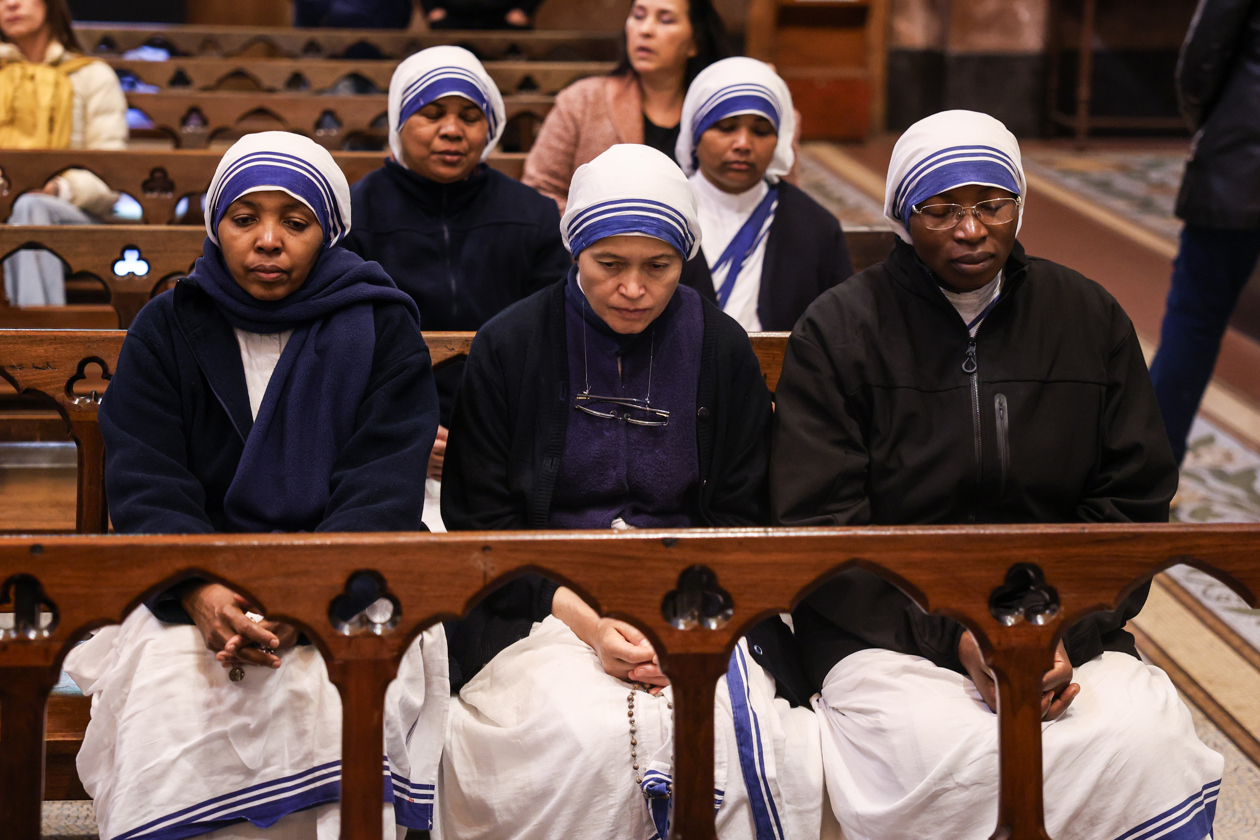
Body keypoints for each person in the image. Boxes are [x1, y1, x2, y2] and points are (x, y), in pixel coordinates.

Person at [770, 110, 1224, 840]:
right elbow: (820, 531)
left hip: (1067, 626)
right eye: (940, 210)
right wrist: (959, 636)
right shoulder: (841, 330)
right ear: (900, 215)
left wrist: (1054, 627)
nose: (971, 230)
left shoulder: (1086, 318)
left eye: (991, 205)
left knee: (1144, 738)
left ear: (1021, 203)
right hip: (886, 634)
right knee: (948, 752)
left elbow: (1133, 504)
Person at [437, 144, 828, 840]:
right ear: (574, 251)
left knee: (749, 743)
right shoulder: (510, 345)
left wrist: (674, 605)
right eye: (608, 265)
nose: (634, 290)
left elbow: (741, 512)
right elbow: (481, 524)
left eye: (659, 267)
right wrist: (589, 623)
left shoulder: (720, 347)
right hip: (540, 602)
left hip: (701, 591)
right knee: (576, 739)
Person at [63, 132, 445, 840]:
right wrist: (201, 589)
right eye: (245, 219)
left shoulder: (380, 324)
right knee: (171, 689)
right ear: (216, 226)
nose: (268, 241)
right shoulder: (170, 324)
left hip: (349, 577)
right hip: (191, 580)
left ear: (326, 231)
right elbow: (148, 477)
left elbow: (380, 482)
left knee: (341, 689)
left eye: (294, 222)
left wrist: (311, 595)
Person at [343, 46, 570, 532]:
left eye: (470, 116)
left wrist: (493, 433)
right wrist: (406, 432)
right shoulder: (355, 216)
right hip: (384, 437)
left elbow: (555, 337)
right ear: (398, 121)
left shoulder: (530, 214)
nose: (452, 130)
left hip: (512, 437)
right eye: (431, 114)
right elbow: (344, 344)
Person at [1149, 0, 1260, 464]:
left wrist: (1213, 130)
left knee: (1195, 317)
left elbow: (1202, 57)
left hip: (1240, 159)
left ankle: (1148, 468)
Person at [675, 57, 852, 331]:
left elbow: (839, 329)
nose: (743, 144)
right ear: (695, 132)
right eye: (726, 127)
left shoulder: (815, 226)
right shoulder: (664, 211)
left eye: (760, 130)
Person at [522, 0, 730, 210]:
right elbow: (538, 191)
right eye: (638, 16)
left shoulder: (720, 109)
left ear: (696, 41)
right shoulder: (583, 100)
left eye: (665, 20)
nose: (645, 30)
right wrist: (599, 234)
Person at [0, 0, 127, 306]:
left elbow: (110, 172)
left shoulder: (92, 75)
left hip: (71, 214)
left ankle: (39, 346)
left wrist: (59, 188)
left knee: (31, 208)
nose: (11, 4)